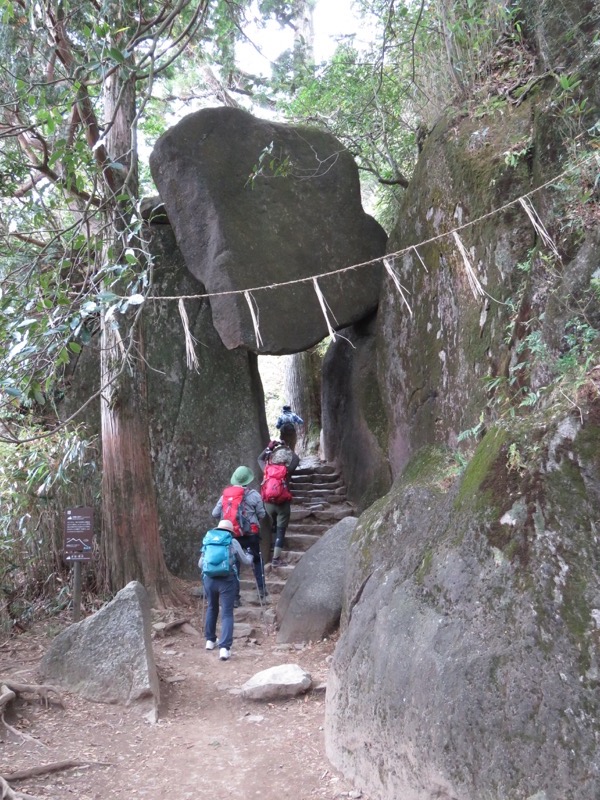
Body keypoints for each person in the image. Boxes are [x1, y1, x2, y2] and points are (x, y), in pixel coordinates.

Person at [212, 465, 268, 603]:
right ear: (248, 481)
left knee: (234, 565)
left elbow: (215, 513)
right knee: (256, 561)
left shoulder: (226, 495)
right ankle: (261, 591)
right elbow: (262, 513)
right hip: (251, 536)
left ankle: (235, 598)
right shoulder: (254, 495)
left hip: (232, 535)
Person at [200, 519, 253, 661]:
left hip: (209, 580)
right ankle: (224, 648)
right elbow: (246, 561)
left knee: (212, 607)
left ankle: (210, 641)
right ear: (230, 531)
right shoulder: (232, 542)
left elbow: (201, 563)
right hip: (227, 581)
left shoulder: (208, 540)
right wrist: (251, 555)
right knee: (227, 613)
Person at [258, 440, 300, 568]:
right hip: (282, 503)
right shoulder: (287, 470)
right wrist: (286, 446)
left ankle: (272, 544)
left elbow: (259, 458)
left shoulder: (266, 468)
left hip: (268, 503)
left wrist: (269, 447)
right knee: (281, 530)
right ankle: (276, 559)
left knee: (274, 523)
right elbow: (296, 459)